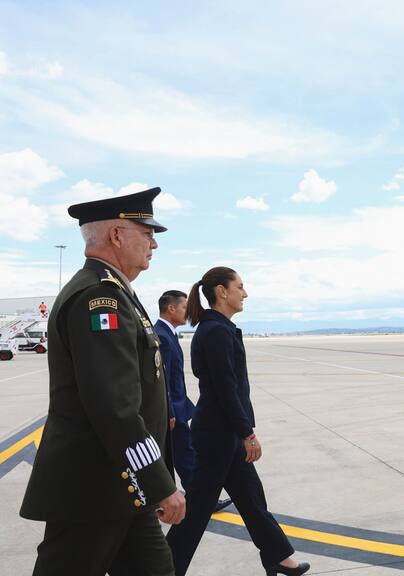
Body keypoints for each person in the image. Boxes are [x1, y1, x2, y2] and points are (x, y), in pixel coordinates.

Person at [20, 188, 185, 576]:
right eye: (146, 233)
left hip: (122, 486)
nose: (154, 243)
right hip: (93, 487)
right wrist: (159, 482)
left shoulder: (114, 291)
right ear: (116, 235)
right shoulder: (99, 297)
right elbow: (115, 407)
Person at [166, 267, 309, 576]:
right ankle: (163, 569)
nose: (245, 293)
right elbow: (225, 387)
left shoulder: (218, 327)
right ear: (222, 291)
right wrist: (247, 432)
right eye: (240, 287)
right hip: (219, 433)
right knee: (199, 507)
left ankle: (279, 557)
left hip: (223, 431)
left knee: (251, 498)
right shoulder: (216, 331)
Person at [155, 290, 232, 512]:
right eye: (184, 308)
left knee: (180, 454)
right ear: (171, 309)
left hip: (176, 408)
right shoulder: (163, 336)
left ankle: (189, 498)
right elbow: (163, 381)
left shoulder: (168, 333)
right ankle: (199, 500)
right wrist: (169, 411)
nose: (188, 312)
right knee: (184, 455)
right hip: (172, 411)